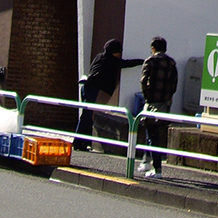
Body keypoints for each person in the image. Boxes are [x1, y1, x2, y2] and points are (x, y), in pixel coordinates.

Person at [74, 39, 144, 151]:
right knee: (87, 116)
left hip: (86, 86)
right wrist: (142, 61)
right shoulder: (112, 61)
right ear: (114, 52)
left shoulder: (99, 56)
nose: (119, 54)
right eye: (118, 52)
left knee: (87, 116)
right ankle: (78, 143)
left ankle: (83, 142)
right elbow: (127, 63)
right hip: (94, 89)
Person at [129, 36, 178, 176]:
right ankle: (146, 161)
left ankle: (157, 168)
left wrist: (147, 97)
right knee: (153, 132)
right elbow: (174, 84)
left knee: (152, 134)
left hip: (151, 101)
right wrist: (167, 98)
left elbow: (143, 82)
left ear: (153, 48)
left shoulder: (150, 61)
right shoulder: (171, 63)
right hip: (164, 103)